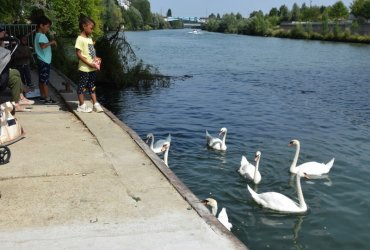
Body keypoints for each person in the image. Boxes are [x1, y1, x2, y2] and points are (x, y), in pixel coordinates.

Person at [74, 16, 103, 113]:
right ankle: (81, 105)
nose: (92, 31)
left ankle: (95, 104)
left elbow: (91, 53)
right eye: (91, 28)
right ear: (84, 26)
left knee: (92, 85)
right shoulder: (80, 39)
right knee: (82, 86)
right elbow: (78, 54)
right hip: (85, 68)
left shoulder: (90, 39)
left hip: (92, 68)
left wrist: (96, 59)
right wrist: (89, 64)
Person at [34, 16, 57, 104]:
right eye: (47, 26)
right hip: (44, 61)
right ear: (41, 25)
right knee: (45, 80)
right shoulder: (41, 36)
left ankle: (42, 96)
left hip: (41, 60)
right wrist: (52, 42)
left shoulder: (37, 35)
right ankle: (47, 98)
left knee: (41, 79)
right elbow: (43, 46)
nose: (48, 29)